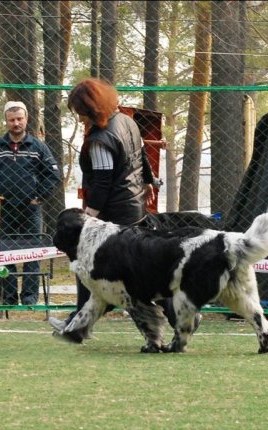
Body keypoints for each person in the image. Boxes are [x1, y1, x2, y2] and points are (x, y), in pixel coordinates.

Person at [48, 77, 201, 336]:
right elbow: (140, 154)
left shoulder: (99, 139)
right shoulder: (128, 121)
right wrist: (149, 180)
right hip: (135, 210)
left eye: (81, 112)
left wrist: (90, 215)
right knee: (143, 271)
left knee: (90, 267)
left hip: (112, 216)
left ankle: (78, 323)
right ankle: (181, 313)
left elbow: (104, 180)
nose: (79, 118)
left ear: (92, 108)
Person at [0, 101, 61, 305]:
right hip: (5, 210)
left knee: (32, 255)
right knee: (5, 256)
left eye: (19, 119)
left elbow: (53, 175)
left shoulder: (39, 147)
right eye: (12, 119)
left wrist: (38, 196)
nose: (16, 123)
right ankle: (8, 299)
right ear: (6, 121)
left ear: (26, 119)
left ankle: (30, 298)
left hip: (30, 211)